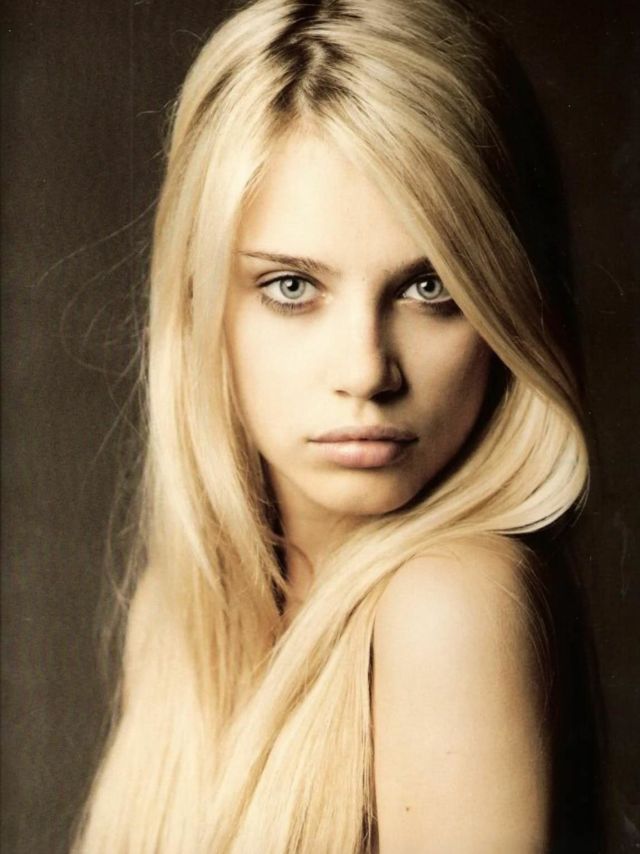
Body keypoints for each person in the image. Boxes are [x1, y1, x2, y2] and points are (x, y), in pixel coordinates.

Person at [73, 0, 601, 851]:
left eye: (431, 287)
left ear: (508, 306)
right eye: (292, 287)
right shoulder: (179, 627)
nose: (366, 371)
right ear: (199, 304)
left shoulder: (449, 605)